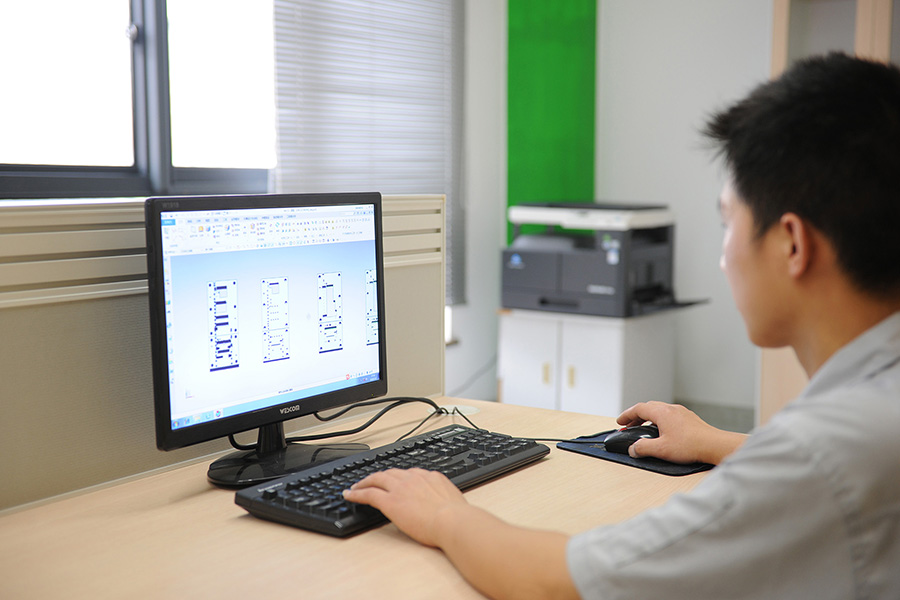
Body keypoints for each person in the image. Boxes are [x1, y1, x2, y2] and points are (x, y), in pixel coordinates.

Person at [343, 53, 900, 599]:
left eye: (728, 222)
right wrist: (714, 441)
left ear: (792, 244)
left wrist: (443, 514)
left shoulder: (825, 453)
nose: (723, 256)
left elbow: (558, 582)